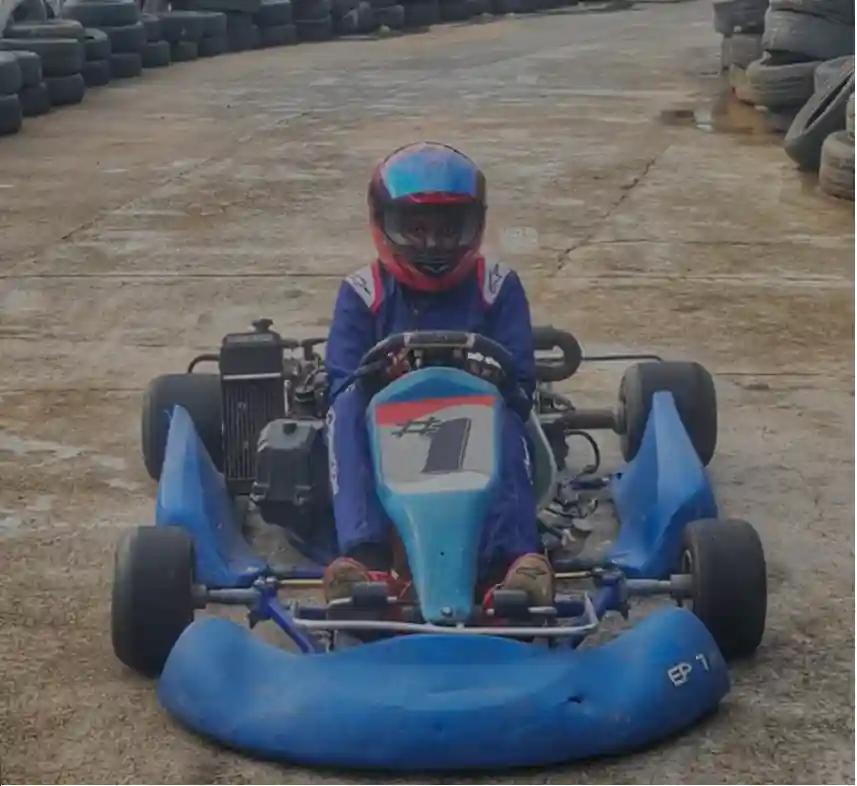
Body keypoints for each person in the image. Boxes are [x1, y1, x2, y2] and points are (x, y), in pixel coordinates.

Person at [322, 141, 554, 612]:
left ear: (474, 224)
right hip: (385, 438)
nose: (432, 245)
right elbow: (341, 380)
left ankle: (510, 564)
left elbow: (522, 381)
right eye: (418, 229)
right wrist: (377, 379)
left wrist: (487, 375)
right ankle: (366, 558)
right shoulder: (362, 293)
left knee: (506, 407)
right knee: (343, 407)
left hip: (476, 431)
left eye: (449, 230)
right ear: (385, 222)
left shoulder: (497, 288)